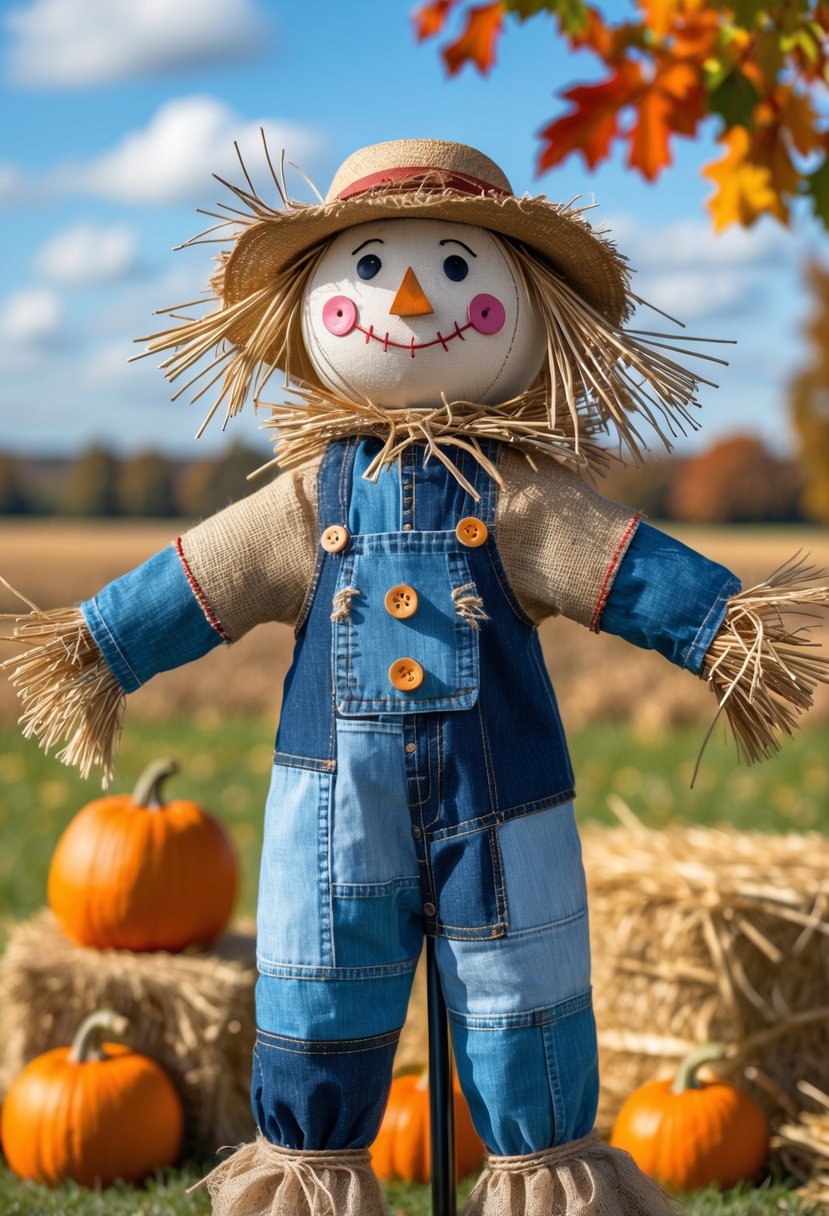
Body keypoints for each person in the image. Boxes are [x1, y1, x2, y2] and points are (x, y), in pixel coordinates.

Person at [4, 139, 827, 1216]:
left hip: (506, 808)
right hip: (331, 812)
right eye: (371, 269)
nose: (403, 294)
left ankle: (541, 1182)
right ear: (313, 307)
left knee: (525, 1000)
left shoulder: (521, 498)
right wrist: (101, 646)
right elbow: (207, 571)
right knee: (318, 992)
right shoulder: (305, 500)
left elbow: (621, 565)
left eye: (452, 267)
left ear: (525, 305)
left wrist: (723, 630)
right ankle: (311, 1176)